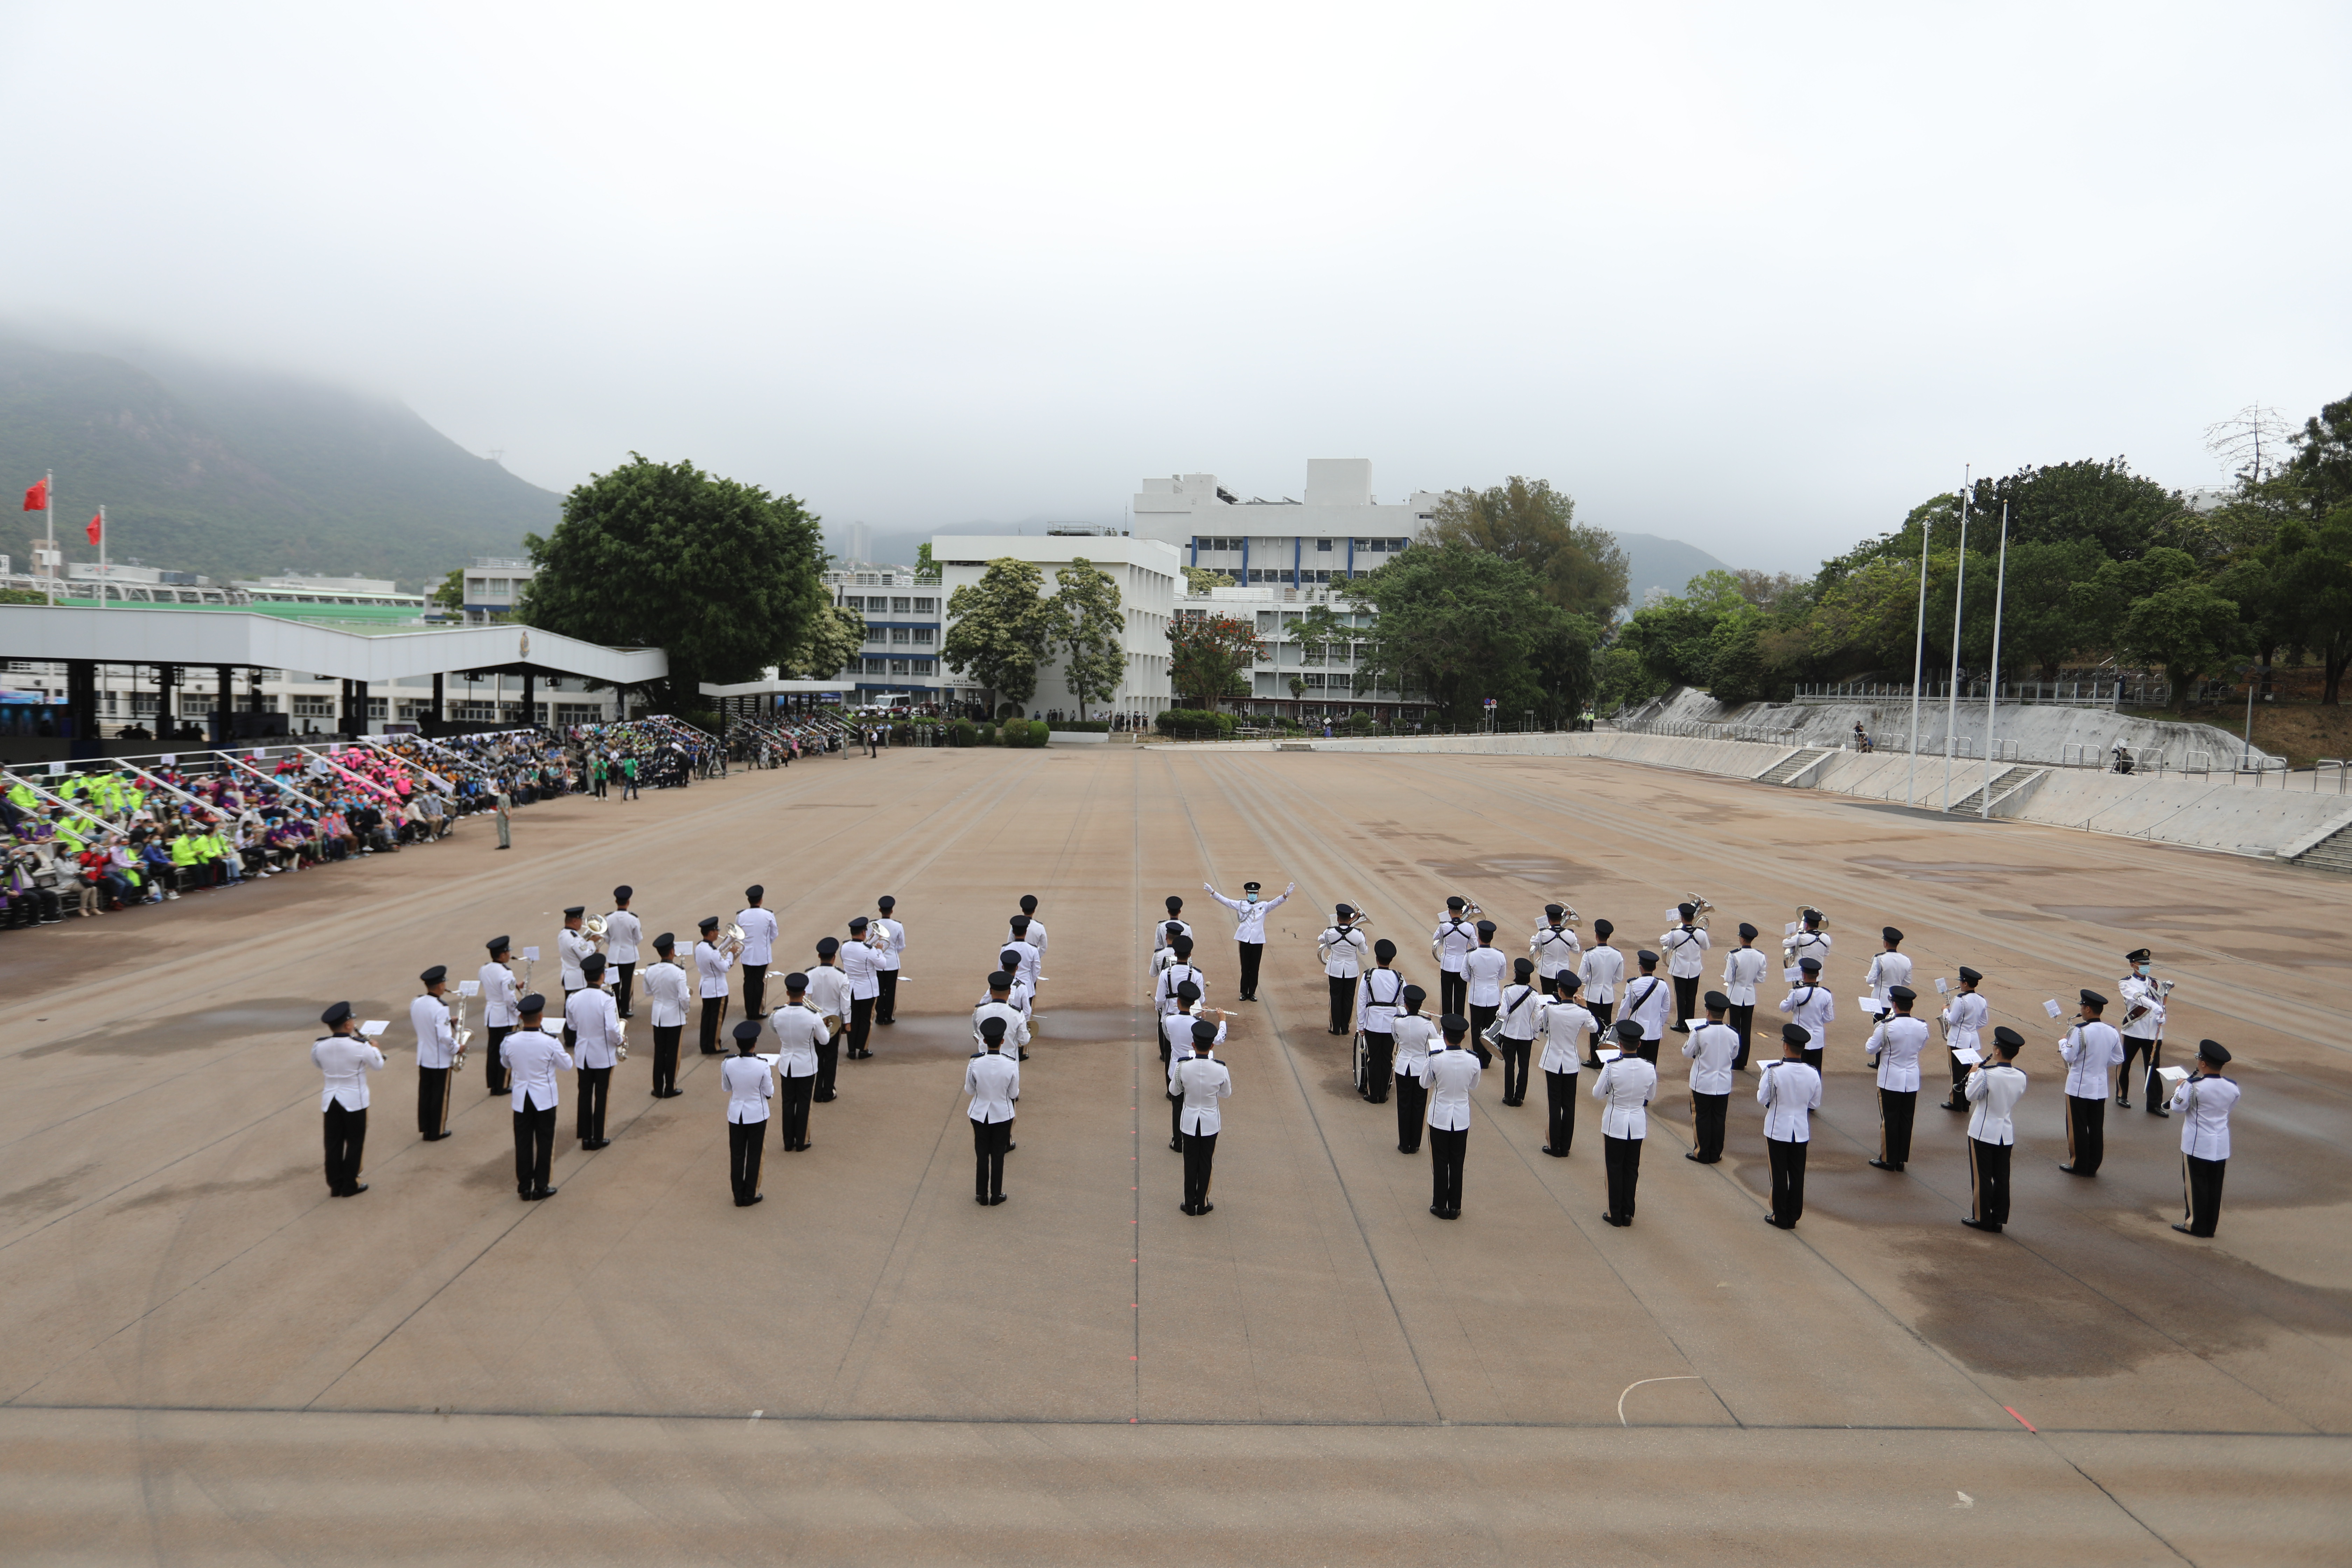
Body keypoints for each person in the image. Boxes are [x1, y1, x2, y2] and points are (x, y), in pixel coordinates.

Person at [500, 994, 570, 1200]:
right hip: (544, 1098)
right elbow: (567, 1065)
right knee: (545, 1141)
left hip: (522, 1097)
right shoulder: (550, 1041)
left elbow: (505, 1063)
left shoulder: (510, 1040)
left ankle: (524, 1187)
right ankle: (541, 1185)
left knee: (523, 1142)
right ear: (541, 1016)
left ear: (521, 1017)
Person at [1961, 1026, 2029, 1233]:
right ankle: (1998, 1218)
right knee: (2001, 1177)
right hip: (2005, 1133)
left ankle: (1982, 1218)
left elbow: (1970, 1095)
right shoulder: (2021, 1076)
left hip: (1982, 1131)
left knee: (1982, 1177)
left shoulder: (1986, 1074)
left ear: (1998, 1051)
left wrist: (1973, 1075)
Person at [2170, 1040, 2240, 1238]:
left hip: (2197, 1143)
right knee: (2215, 1186)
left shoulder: (2193, 1086)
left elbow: (2177, 1107)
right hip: (2220, 1143)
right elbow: (2228, 1109)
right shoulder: (2232, 1087)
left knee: (2196, 1186)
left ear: (2203, 1064)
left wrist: (2178, 1088)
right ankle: (2210, 1227)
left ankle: (2195, 1225)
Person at [312, 1001, 383, 1197]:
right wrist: (375, 1048)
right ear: (348, 1025)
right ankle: (350, 1185)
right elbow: (378, 1066)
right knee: (355, 1142)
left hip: (330, 1100)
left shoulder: (319, 1045)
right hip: (354, 1101)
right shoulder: (361, 1046)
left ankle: (335, 1185)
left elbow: (318, 1063)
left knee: (333, 1144)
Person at [1592, 1018, 1658, 1227]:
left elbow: (1597, 1094)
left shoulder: (1612, 1067)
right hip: (1637, 1124)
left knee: (1614, 1168)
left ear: (1619, 1043)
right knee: (1631, 1169)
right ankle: (1628, 1212)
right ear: (1639, 1044)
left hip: (1615, 1123)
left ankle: (1615, 1213)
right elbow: (1651, 1096)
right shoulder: (1649, 1068)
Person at [1759, 1022, 1823, 1228]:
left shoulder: (1773, 1072)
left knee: (1778, 1174)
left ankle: (1780, 1216)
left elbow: (1762, 1098)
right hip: (1801, 1131)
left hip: (1778, 1129)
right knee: (1797, 1176)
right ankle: (1793, 1215)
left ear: (1786, 1046)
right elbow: (1815, 1104)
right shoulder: (1813, 1073)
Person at [1861, 983, 1928, 1171]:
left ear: (1894, 1004)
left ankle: (1888, 1159)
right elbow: (1920, 1046)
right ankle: (1900, 1159)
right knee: (1906, 1120)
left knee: (1889, 1119)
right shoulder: (1922, 1026)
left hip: (1890, 1079)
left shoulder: (1885, 1027)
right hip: (1911, 1079)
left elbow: (1870, 1049)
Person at [2057, 989, 2124, 1177]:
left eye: (2082, 1006)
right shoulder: (2111, 1031)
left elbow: (2069, 1056)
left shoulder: (2080, 1032)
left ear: (2088, 1009)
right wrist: (2100, 1063)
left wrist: (2062, 1043)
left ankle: (2078, 1164)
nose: (2081, 1010)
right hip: (2100, 1088)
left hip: (2078, 1086)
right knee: (2096, 1128)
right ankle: (2093, 1164)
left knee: (2077, 1127)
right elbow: (2119, 1057)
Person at [1425, 1015, 1483, 1219]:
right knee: (1457, 1162)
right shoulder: (1473, 1060)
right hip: (1461, 1118)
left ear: (1445, 1037)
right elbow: (1473, 1085)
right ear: (1464, 1037)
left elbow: (1424, 1083)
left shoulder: (1436, 1059)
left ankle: (1440, 1205)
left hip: (1439, 1116)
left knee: (1440, 1161)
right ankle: (1455, 1206)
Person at [1172, 1018, 1232, 1215]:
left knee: (1190, 1162)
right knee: (1206, 1162)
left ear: (1193, 1045)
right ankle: (1203, 1203)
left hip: (1189, 1121)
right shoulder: (1220, 1068)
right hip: (1210, 1122)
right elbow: (1226, 1093)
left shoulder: (1183, 1066)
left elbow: (1174, 1090)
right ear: (1212, 1046)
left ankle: (1189, 1204)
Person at [1205, 878, 1293, 1002]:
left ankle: (1252, 993)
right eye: (1250, 893)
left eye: (1255, 893)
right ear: (1246, 894)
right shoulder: (1241, 905)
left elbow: (1276, 903)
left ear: (1258, 894)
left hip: (1258, 941)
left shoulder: (1264, 906)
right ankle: (1243, 992)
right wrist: (1213, 892)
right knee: (1245, 967)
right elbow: (1226, 901)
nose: (1253, 895)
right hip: (1245, 940)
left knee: (1255, 968)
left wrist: (1286, 895)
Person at [567, 953, 621, 1148]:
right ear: (602, 976)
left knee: (584, 1094)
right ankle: (598, 1136)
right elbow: (612, 1028)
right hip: (602, 1054)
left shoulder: (573, 998)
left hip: (583, 1054)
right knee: (601, 1095)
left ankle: (585, 1137)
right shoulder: (607, 999)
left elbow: (572, 1026)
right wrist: (620, 1040)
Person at [1538, 973, 1595, 1156]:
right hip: (1571, 1063)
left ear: (1560, 991)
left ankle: (1554, 1146)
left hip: (1553, 1061)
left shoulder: (1551, 1009)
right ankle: (1565, 1147)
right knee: (1569, 1106)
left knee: (1554, 1104)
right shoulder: (1582, 1013)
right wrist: (1585, 1007)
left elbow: (1538, 1022)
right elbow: (1594, 1027)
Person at [768, 973, 825, 1152]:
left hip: (787, 1064)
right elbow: (824, 1040)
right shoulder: (813, 1016)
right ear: (804, 993)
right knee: (803, 1103)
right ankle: (801, 1141)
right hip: (806, 1065)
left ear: (787, 993)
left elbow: (774, 1029)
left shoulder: (778, 1014)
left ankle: (788, 1142)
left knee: (788, 1103)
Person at [968, 1016, 1021, 1205]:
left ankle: (981, 1195)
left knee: (982, 1154)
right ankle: (996, 1195)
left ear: (984, 1041)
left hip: (979, 1113)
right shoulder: (1011, 1063)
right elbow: (1014, 1093)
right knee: (998, 1155)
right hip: (1002, 1114)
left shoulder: (975, 1062)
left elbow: (970, 1090)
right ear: (1002, 1041)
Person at [1682, 990, 1740, 1163]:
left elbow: (1687, 1052)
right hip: (1723, 1084)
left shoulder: (1700, 1032)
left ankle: (1702, 1152)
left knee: (1701, 1117)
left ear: (1708, 1012)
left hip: (1702, 1083)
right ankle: (1716, 1153)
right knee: (1719, 1118)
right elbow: (1734, 1055)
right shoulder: (1732, 1033)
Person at [721, 1020, 772, 1206]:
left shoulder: (728, 1064)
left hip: (736, 1114)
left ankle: (738, 1194)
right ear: (754, 1044)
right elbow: (769, 1092)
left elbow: (727, 1087)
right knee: (754, 1155)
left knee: (737, 1155)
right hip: (757, 1114)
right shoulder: (762, 1065)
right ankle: (750, 1194)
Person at [2116, 947, 2167, 1114]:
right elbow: (2136, 997)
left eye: (2147, 964)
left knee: (2153, 1068)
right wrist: (2153, 1005)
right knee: (2125, 1064)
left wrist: (2162, 1016)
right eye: (2142, 964)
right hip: (2134, 1030)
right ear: (2133, 965)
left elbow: (2161, 1004)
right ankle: (2122, 1095)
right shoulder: (2126, 983)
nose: (2146, 967)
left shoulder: (2156, 984)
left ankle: (2154, 1104)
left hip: (2153, 1033)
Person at [410, 964, 457, 1141]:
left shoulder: (416, 1002)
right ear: (440, 985)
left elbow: (426, 1021)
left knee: (426, 1094)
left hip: (424, 1056)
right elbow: (444, 1037)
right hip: (439, 1059)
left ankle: (426, 1128)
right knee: (439, 1096)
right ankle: (437, 1131)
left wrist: (447, 1020)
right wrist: (457, 1048)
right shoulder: (441, 1007)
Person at [641, 932, 689, 1097]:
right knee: (673, 1053)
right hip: (674, 1016)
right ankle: (670, 1087)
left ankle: (658, 1088)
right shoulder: (678, 972)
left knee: (660, 1052)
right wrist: (686, 1010)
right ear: (672, 952)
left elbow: (648, 992)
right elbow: (684, 997)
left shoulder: (651, 969)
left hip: (658, 1016)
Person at [1357, 939, 1405, 1103]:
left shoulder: (1368, 975)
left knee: (1373, 1059)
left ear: (1377, 959)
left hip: (1373, 1023)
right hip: (1391, 1025)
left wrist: (1361, 1025)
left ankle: (1373, 1094)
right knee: (1387, 1059)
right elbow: (1403, 1004)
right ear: (1391, 960)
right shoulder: (1399, 977)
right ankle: (1383, 1094)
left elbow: (1362, 1002)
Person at [1391, 985, 1437, 1154]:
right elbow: (1435, 1043)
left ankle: (1404, 1144)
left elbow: (1396, 1039)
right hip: (1420, 1069)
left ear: (1406, 1005)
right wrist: (1429, 1021)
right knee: (1419, 1105)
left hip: (1403, 1067)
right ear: (1420, 1006)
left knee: (1403, 1105)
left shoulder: (1397, 1022)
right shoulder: (1427, 1024)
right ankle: (1415, 1144)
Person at [1492, 957, 1543, 1106]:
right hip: (1526, 1036)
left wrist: (1498, 1013)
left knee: (1509, 1065)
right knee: (1524, 1066)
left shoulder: (1508, 991)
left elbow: (1503, 1013)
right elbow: (1538, 1017)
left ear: (1516, 974)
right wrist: (1535, 1033)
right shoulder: (1534, 995)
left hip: (1509, 1034)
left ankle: (1508, 1096)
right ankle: (1520, 1097)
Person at [806, 937, 851, 1101]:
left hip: (815, 1021)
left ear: (819, 956)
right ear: (834, 957)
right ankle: (828, 1090)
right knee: (831, 1057)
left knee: (817, 1056)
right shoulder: (841, 976)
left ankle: (817, 1091)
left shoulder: (810, 974)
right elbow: (845, 1002)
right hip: (834, 1022)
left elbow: (807, 1000)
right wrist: (847, 1023)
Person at [1938, 966, 1988, 1112]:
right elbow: (1984, 1022)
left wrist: (1945, 1010)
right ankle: (1966, 1103)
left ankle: (1956, 1103)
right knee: (1968, 1072)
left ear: (1966, 983)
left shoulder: (1960, 999)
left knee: (1957, 1073)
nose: (1960, 984)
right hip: (1973, 1041)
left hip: (1957, 1041)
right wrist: (1970, 1027)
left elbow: (1952, 1020)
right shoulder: (1981, 1000)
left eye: (1961, 982)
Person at [1721, 922, 1768, 1071]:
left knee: (1734, 1029)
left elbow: (1728, 978)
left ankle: (1734, 1060)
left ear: (1742, 939)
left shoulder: (1734, 955)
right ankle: (1743, 1061)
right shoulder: (1760, 956)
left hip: (1735, 996)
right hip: (1749, 996)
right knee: (1746, 1030)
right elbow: (1761, 979)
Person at [1317, 904, 1368, 1035]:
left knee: (1335, 998)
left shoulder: (1330, 932)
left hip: (1335, 969)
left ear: (1338, 919)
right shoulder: (1358, 934)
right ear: (1350, 919)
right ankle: (1345, 1028)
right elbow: (1364, 952)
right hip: (1351, 971)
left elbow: (1320, 939)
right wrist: (1363, 938)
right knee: (1348, 998)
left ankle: (1335, 1028)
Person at [1659, 903, 1710, 1032]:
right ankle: (1690, 1023)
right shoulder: (1700, 933)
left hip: (1680, 970)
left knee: (1681, 997)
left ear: (1682, 918)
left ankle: (1681, 1023)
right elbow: (1706, 947)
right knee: (1692, 997)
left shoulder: (1675, 934)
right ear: (1693, 918)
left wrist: (1676, 929)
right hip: (1695, 970)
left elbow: (1662, 940)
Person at [1779, 957, 1834, 1072]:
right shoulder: (1826, 994)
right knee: (1815, 1072)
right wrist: (1817, 1020)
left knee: (1798, 1072)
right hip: (1817, 1040)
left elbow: (1783, 1008)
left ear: (1803, 975)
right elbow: (1829, 1017)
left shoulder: (1797, 993)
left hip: (1799, 1039)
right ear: (1817, 975)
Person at [1461, 920, 1508, 1055]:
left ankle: (1478, 1056)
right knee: (1490, 1028)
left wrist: (1476, 981)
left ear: (1479, 937)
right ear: (1492, 938)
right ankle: (1487, 1058)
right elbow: (1502, 976)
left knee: (1476, 1028)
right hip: (1493, 998)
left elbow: (1464, 975)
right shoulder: (1500, 955)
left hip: (1476, 997)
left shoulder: (1471, 955)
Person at [1577, 919, 1623, 1057]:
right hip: (1608, 996)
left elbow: (1581, 977)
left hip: (1593, 995)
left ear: (1596, 935)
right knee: (1606, 1028)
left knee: (1594, 1027)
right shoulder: (1617, 954)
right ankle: (1605, 1057)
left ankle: (1594, 1058)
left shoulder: (1589, 954)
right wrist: (1607, 982)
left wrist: (1592, 981)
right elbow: (1619, 978)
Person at [479, 937, 519, 1097]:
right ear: (502, 955)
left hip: (491, 1014)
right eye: (508, 952)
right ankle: (502, 1085)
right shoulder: (506, 973)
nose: (509, 954)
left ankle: (493, 1084)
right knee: (505, 1051)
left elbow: (492, 986)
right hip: (504, 1016)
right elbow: (509, 999)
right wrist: (519, 1012)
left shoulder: (484, 969)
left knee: (493, 1050)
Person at [556, 906, 598, 1050]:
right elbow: (587, 955)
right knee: (577, 1009)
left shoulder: (563, 934)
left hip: (569, 975)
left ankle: (569, 1037)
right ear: (575, 921)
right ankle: (573, 1037)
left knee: (569, 1007)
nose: (582, 923)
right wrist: (592, 942)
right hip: (577, 978)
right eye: (581, 920)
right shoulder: (574, 938)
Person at [735, 886, 779, 1020]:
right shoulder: (768, 915)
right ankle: (757, 1011)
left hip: (747, 955)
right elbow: (774, 934)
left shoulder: (741, 915)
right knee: (759, 982)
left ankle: (750, 1011)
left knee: (748, 982)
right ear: (761, 900)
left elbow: (738, 935)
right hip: (762, 954)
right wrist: (765, 944)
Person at [1430, 897, 1478, 1019]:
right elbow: (1475, 946)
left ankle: (1446, 1023)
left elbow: (1435, 938)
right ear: (1462, 912)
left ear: (1449, 912)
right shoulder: (1469, 927)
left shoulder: (1444, 926)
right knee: (1460, 997)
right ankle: (1459, 1023)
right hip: (1462, 967)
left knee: (1446, 996)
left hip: (1446, 965)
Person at [843, 916, 883, 1058]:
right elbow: (882, 964)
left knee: (853, 1018)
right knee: (866, 1019)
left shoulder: (844, 947)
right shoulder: (869, 950)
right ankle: (863, 1050)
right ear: (864, 933)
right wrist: (879, 951)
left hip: (852, 989)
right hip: (867, 990)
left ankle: (851, 1050)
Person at [1622, 950, 1671, 1064]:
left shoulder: (1633, 984)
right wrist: (1659, 1024)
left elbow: (1625, 1008)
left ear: (1641, 967)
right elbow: (1665, 1009)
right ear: (1655, 968)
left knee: (1635, 1064)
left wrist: (1621, 1025)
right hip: (1655, 1032)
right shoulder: (1663, 985)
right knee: (1651, 1064)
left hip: (1636, 1031)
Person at [694, 916, 732, 1055]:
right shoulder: (712, 952)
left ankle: (705, 1045)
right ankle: (714, 1045)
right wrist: (731, 955)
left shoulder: (699, 947)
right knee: (716, 1020)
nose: (718, 933)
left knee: (707, 1018)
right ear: (711, 933)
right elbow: (725, 967)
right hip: (718, 989)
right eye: (717, 930)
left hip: (706, 987)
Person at [606, 887, 643, 1020]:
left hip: (613, 955)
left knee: (614, 984)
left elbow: (606, 937)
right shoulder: (633, 919)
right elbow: (638, 938)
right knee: (627, 984)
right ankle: (625, 1010)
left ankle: (616, 1008)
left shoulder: (609, 918)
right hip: (629, 956)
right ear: (628, 902)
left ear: (616, 902)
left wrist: (615, 944)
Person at [1529, 905, 1582, 997]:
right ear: (1561, 919)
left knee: (1547, 998)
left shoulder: (1543, 933)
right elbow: (1576, 950)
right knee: (1561, 998)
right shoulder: (1570, 934)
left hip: (1546, 972)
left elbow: (1532, 941)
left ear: (1549, 920)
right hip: (1563, 972)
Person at [873, 895, 905, 1025]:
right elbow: (901, 945)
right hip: (892, 963)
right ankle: (889, 1016)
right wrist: (892, 952)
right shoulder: (898, 925)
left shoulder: (873, 925)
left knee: (879, 990)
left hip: (876, 962)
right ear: (892, 911)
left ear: (880, 910)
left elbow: (870, 944)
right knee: (891, 990)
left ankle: (880, 1017)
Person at [492, 784, 512, 850]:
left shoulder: (501, 798)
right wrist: (509, 815)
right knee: (507, 829)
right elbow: (510, 807)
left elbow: (502, 808)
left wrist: (506, 815)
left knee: (502, 829)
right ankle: (508, 843)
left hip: (502, 814)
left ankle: (503, 844)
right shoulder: (507, 797)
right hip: (508, 813)